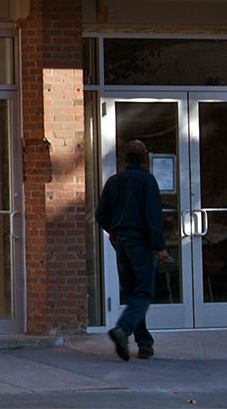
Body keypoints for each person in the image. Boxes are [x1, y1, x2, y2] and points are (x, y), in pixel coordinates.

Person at [95, 139, 171, 361]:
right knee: (144, 292)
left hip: (121, 243)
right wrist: (160, 248)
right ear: (145, 159)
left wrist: (113, 230)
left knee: (133, 293)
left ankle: (144, 344)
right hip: (141, 243)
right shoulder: (147, 181)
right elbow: (153, 218)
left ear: (125, 159)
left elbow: (101, 215)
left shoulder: (113, 182)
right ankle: (123, 329)